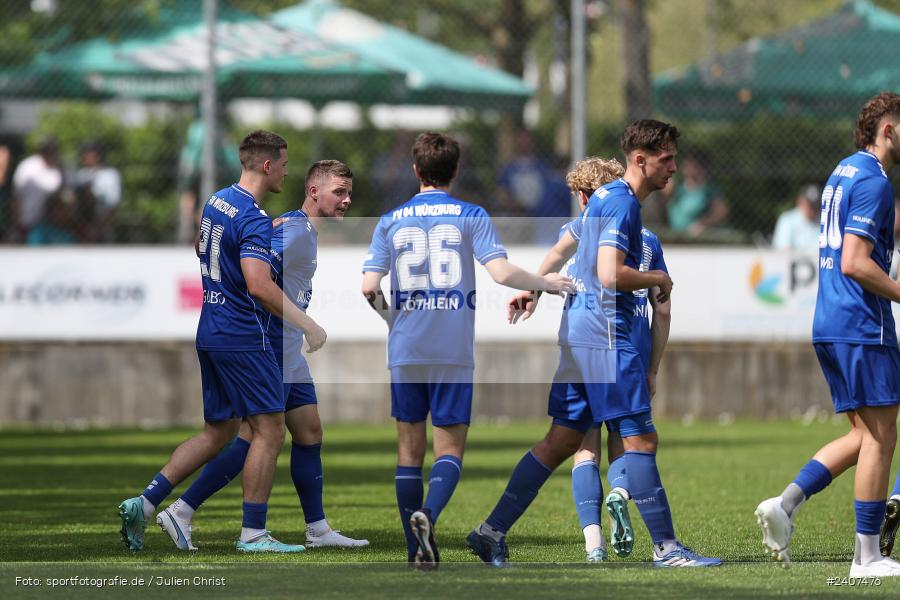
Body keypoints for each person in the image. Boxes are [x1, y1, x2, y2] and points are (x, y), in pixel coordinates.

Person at [466, 120, 721, 568]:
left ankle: (490, 531)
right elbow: (609, 274)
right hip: (608, 339)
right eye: (667, 160)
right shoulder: (623, 204)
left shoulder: (602, 198)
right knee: (640, 439)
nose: (674, 168)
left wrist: (537, 287)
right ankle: (666, 548)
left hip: (578, 338)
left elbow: (566, 253)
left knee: (561, 441)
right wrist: (657, 277)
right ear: (639, 160)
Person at [361, 132, 573, 567]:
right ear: (455, 171)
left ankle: (416, 551)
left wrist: (392, 320)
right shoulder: (470, 215)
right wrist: (545, 282)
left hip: (406, 347)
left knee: (408, 453)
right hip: (451, 347)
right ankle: (429, 515)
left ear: (415, 170)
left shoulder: (390, 220)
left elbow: (368, 288)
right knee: (450, 451)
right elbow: (499, 273)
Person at [118, 130, 321, 553]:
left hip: (210, 329)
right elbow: (259, 286)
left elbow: (200, 246)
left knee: (218, 432)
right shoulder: (253, 216)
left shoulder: (218, 200)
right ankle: (253, 533)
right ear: (267, 166)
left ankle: (146, 502)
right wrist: (308, 324)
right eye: (283, 164)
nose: (287, 171)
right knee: (269, 430)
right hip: (242, 336)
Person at [155, 160, 367, 550]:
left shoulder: (293, 224)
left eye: (348, 192)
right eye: (339, 192)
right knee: (256, 436)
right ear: (314, 191)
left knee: (308, 430)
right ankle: (191, 512)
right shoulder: (296, 232)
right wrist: (305, 323)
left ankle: (318, 530)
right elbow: (253, 270)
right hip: (271, 344)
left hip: (287, 348)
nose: (347, 200)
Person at [754, 92, 900, 577]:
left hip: (830, 321)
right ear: (888, 130)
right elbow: (854, 261)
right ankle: (867, 556)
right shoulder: (877, 182)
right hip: (862, 324)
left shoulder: (843, 170)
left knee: (863, 435)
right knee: (882, 436)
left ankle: (786, 504)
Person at [545, 156, 671, 563]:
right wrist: (653, 368)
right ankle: (620, 492)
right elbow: (664, 310)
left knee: (585, 448)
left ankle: (594, 543)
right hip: (628, 346)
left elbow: (548, 262)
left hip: (585, 343)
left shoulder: (584, 226)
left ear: (586, 195)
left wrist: (535, 286)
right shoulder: (647, 238)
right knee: (629, 442)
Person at [662, 150, 729, 237]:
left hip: (697, 239)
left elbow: (722, 212)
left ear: (701, 167)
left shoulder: (708, 190)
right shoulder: (678, 188)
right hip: (675, 236)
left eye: (691, 164)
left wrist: (702, 223)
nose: (686, 166)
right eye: (686, 163)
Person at [11, 136, 63, 242]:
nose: (50, 155)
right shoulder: (28, 167)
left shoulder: (58, 168)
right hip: (27, 220)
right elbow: (17, 197)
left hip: (51, 222)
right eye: (47, 151)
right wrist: (17, 221)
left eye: (52, 151)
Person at [74, 141, 122, 242]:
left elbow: (113, 204)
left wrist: (99, 227)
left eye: (88, 154)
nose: (85, 157)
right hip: (80, 225)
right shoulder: (80, 175)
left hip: (102, 223)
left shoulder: (110, 175)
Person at [772, 184, 822, 250]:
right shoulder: (787, 220)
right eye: (810, 205)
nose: (813, 208)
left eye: (815, 204)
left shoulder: (822, 222)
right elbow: (783, 249)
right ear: (800, 201)